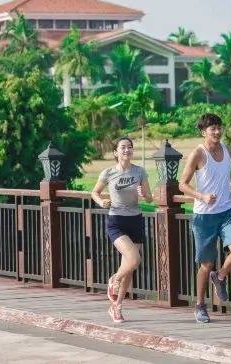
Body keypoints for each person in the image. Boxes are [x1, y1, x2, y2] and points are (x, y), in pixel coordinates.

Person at [179, 113, 231, 323]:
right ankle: (200, 305)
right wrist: (201, 196)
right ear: (203, 132)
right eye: (212, 129)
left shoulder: (229, 151)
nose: (217, 132)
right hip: (204, 216)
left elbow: (227, 172)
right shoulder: (198, 154)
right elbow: (182, 184)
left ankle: (221, 276)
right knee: (206, 264)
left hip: (226, 212)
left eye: (218, 128)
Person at [91, 136, 153, 323]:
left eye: (130, 147)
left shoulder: (139, 171)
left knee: (129, 267)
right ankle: (115, 279)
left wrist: (144, 194)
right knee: (134, 260)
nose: (127, 150)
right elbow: (95, 192)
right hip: (116, 221)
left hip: (135, 220)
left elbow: (149, 198)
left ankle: (116, 306)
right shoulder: (108, 173)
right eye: (123, 147)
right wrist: (101, 201)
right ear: (116, 152)